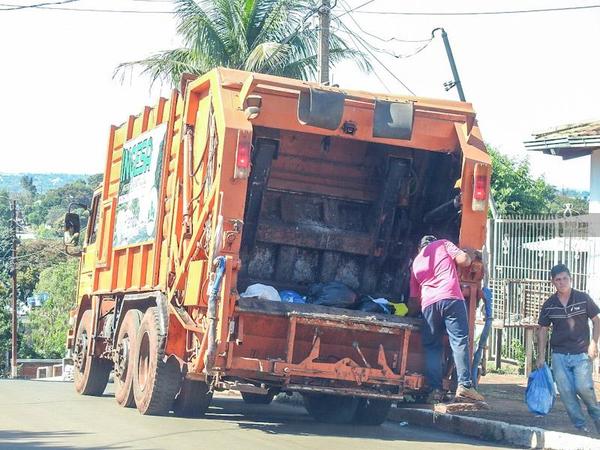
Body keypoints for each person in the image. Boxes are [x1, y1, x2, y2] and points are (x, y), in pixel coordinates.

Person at [409, 235, 485, 403]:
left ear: (419, 248)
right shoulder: (442, 244)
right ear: (433, 242)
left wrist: (409, 313)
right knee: (458, 340)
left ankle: (435, 390)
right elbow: (464, 260)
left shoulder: (415, 262)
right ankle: (464, 386)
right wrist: (471, 254)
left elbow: (413, 298)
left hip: (428, 304)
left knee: (432, 347)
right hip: (450, 298)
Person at [536, 264, 600, 433]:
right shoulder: (549, 304)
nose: (562, 282)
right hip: (559, 355)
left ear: (570, 279)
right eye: (558, 279)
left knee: (583, 387)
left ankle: (597, 416)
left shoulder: (583, 298)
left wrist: (594, 343)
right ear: (552, 282)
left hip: (581, 353)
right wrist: (541, 355)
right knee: (565, 392)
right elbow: (542, 329)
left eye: (565, 278)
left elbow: (596, 320)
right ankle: (580, 426)